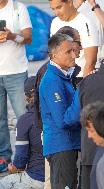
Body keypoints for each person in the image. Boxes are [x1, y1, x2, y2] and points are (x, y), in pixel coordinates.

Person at [39, 33, 81, 189]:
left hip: (66, 145)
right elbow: (63, 120)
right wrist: (80, 94)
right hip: (61, 146)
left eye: (74, 51)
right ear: (54, 55)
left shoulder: (63, 76)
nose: (74, 55)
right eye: (68, 52)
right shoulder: (52, 80)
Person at [0, 0, 32, 172]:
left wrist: (12, 36)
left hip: (16, 72)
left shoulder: (18, 8)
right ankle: (3, 159)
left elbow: (27, 38)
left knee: (24, 118)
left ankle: (27, 159)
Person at [0, 76, 44, 189]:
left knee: (3, 183)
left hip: (37, 178)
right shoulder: (57, 112)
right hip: (60, 176)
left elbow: (20, 161)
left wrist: (13, 168)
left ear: (26, 96)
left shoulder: (25, 120)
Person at [49, 0, 99, 77]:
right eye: (53, 9)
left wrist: (84, 85)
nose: (56, 13)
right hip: (61, 78)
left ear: (69, 2)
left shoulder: (86, 22)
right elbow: (54, 54)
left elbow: (91, 61)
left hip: (80, 77)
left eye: (59, 7)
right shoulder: (55, 22)